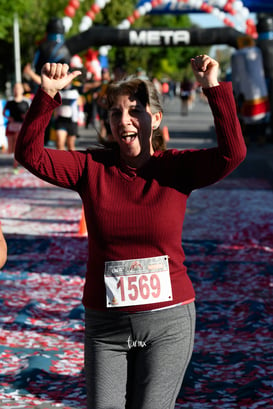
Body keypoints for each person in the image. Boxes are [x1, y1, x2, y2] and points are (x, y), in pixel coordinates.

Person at [15, 54, 247, 409]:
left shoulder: (176, 168)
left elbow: (233, 154)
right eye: (115, 112)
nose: (124, 121)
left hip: (168, 323)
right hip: (106, 328)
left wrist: (213, 87)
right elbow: (30, 155)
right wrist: (46, 93)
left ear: (154, 118)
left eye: (135, 110)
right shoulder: (90, 168)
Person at [3, 83, 30, 169]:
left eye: (19, 88)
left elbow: (30, 114)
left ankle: (16, 163)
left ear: (22, 90)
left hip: (21, 125)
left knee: (17, 144)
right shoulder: (10, 102)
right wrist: (9, 117)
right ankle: (17, 160)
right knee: (10, 148)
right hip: (12, 125)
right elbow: (3, 112)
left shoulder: (26, 102)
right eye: (15, 88)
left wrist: (26, 116)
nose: (17, 90)